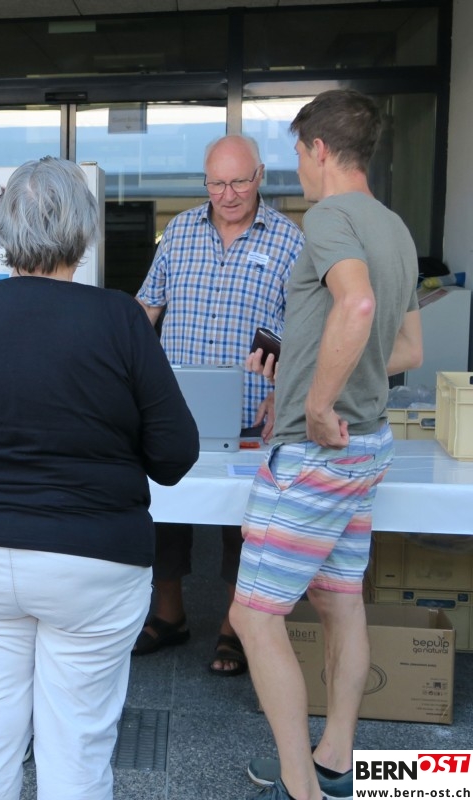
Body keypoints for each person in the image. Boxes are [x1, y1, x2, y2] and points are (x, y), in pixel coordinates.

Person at [0, 157, 199, 800]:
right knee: (77, 741)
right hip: (93, 558)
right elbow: (175, 456)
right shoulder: (119, 319)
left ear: (3, 230)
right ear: (84, 231)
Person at [231, 90, 423, 800]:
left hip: (317, 451)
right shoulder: (394, 229)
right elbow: (405, 348)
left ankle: (299, 787)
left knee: (253, 616)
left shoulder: (330, 217)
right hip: (366, 446)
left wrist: (314, 403)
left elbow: (358, 305)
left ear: (318, 149)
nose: (298, 171)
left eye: (296, 155)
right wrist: (305, 364)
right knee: (341, 602)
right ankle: (336, 761)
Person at [133, 134, 304, 676]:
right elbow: (147, 307)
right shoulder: (180, 231)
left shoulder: (290, 240)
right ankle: (169, 615)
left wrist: (283, 391)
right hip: (174, 405)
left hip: (250, 409)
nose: (227, 195)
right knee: (165, 509)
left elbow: (306, 330)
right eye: (216, 183)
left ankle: (234, 627)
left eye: (239, 182)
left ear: (260, 177)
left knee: (242, 521)